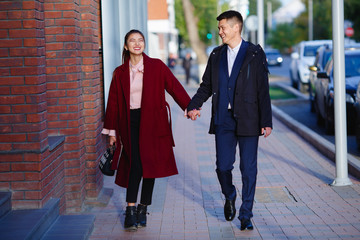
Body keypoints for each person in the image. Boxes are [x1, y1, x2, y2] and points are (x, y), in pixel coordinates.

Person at [187, 10, 272, 231]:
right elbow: (206, 86)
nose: (220, 32)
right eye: (219, 28)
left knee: (248, 169)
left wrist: (267, 120)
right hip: (223, 119)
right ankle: (230, 194)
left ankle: (246, 214)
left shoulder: (254, 53)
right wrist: (194, 105)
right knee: (222, 167)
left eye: (223, 27)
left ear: (236, 27)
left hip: (249, 119)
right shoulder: (216, 55)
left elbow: (263, 89)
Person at [102, 29, 191, 231]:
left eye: (140, 40)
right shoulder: (119, 72)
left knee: (149, 165)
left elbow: (174, 87)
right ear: (126, 46)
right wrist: (112, 133)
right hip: (129, 122)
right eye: (132, 40)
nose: (137, 43)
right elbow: (113, 104)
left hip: (153, 121)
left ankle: (143, 207)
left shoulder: (156, 66)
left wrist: (190, 106)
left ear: (144, 44)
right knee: (136, 164)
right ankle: (130, 209)